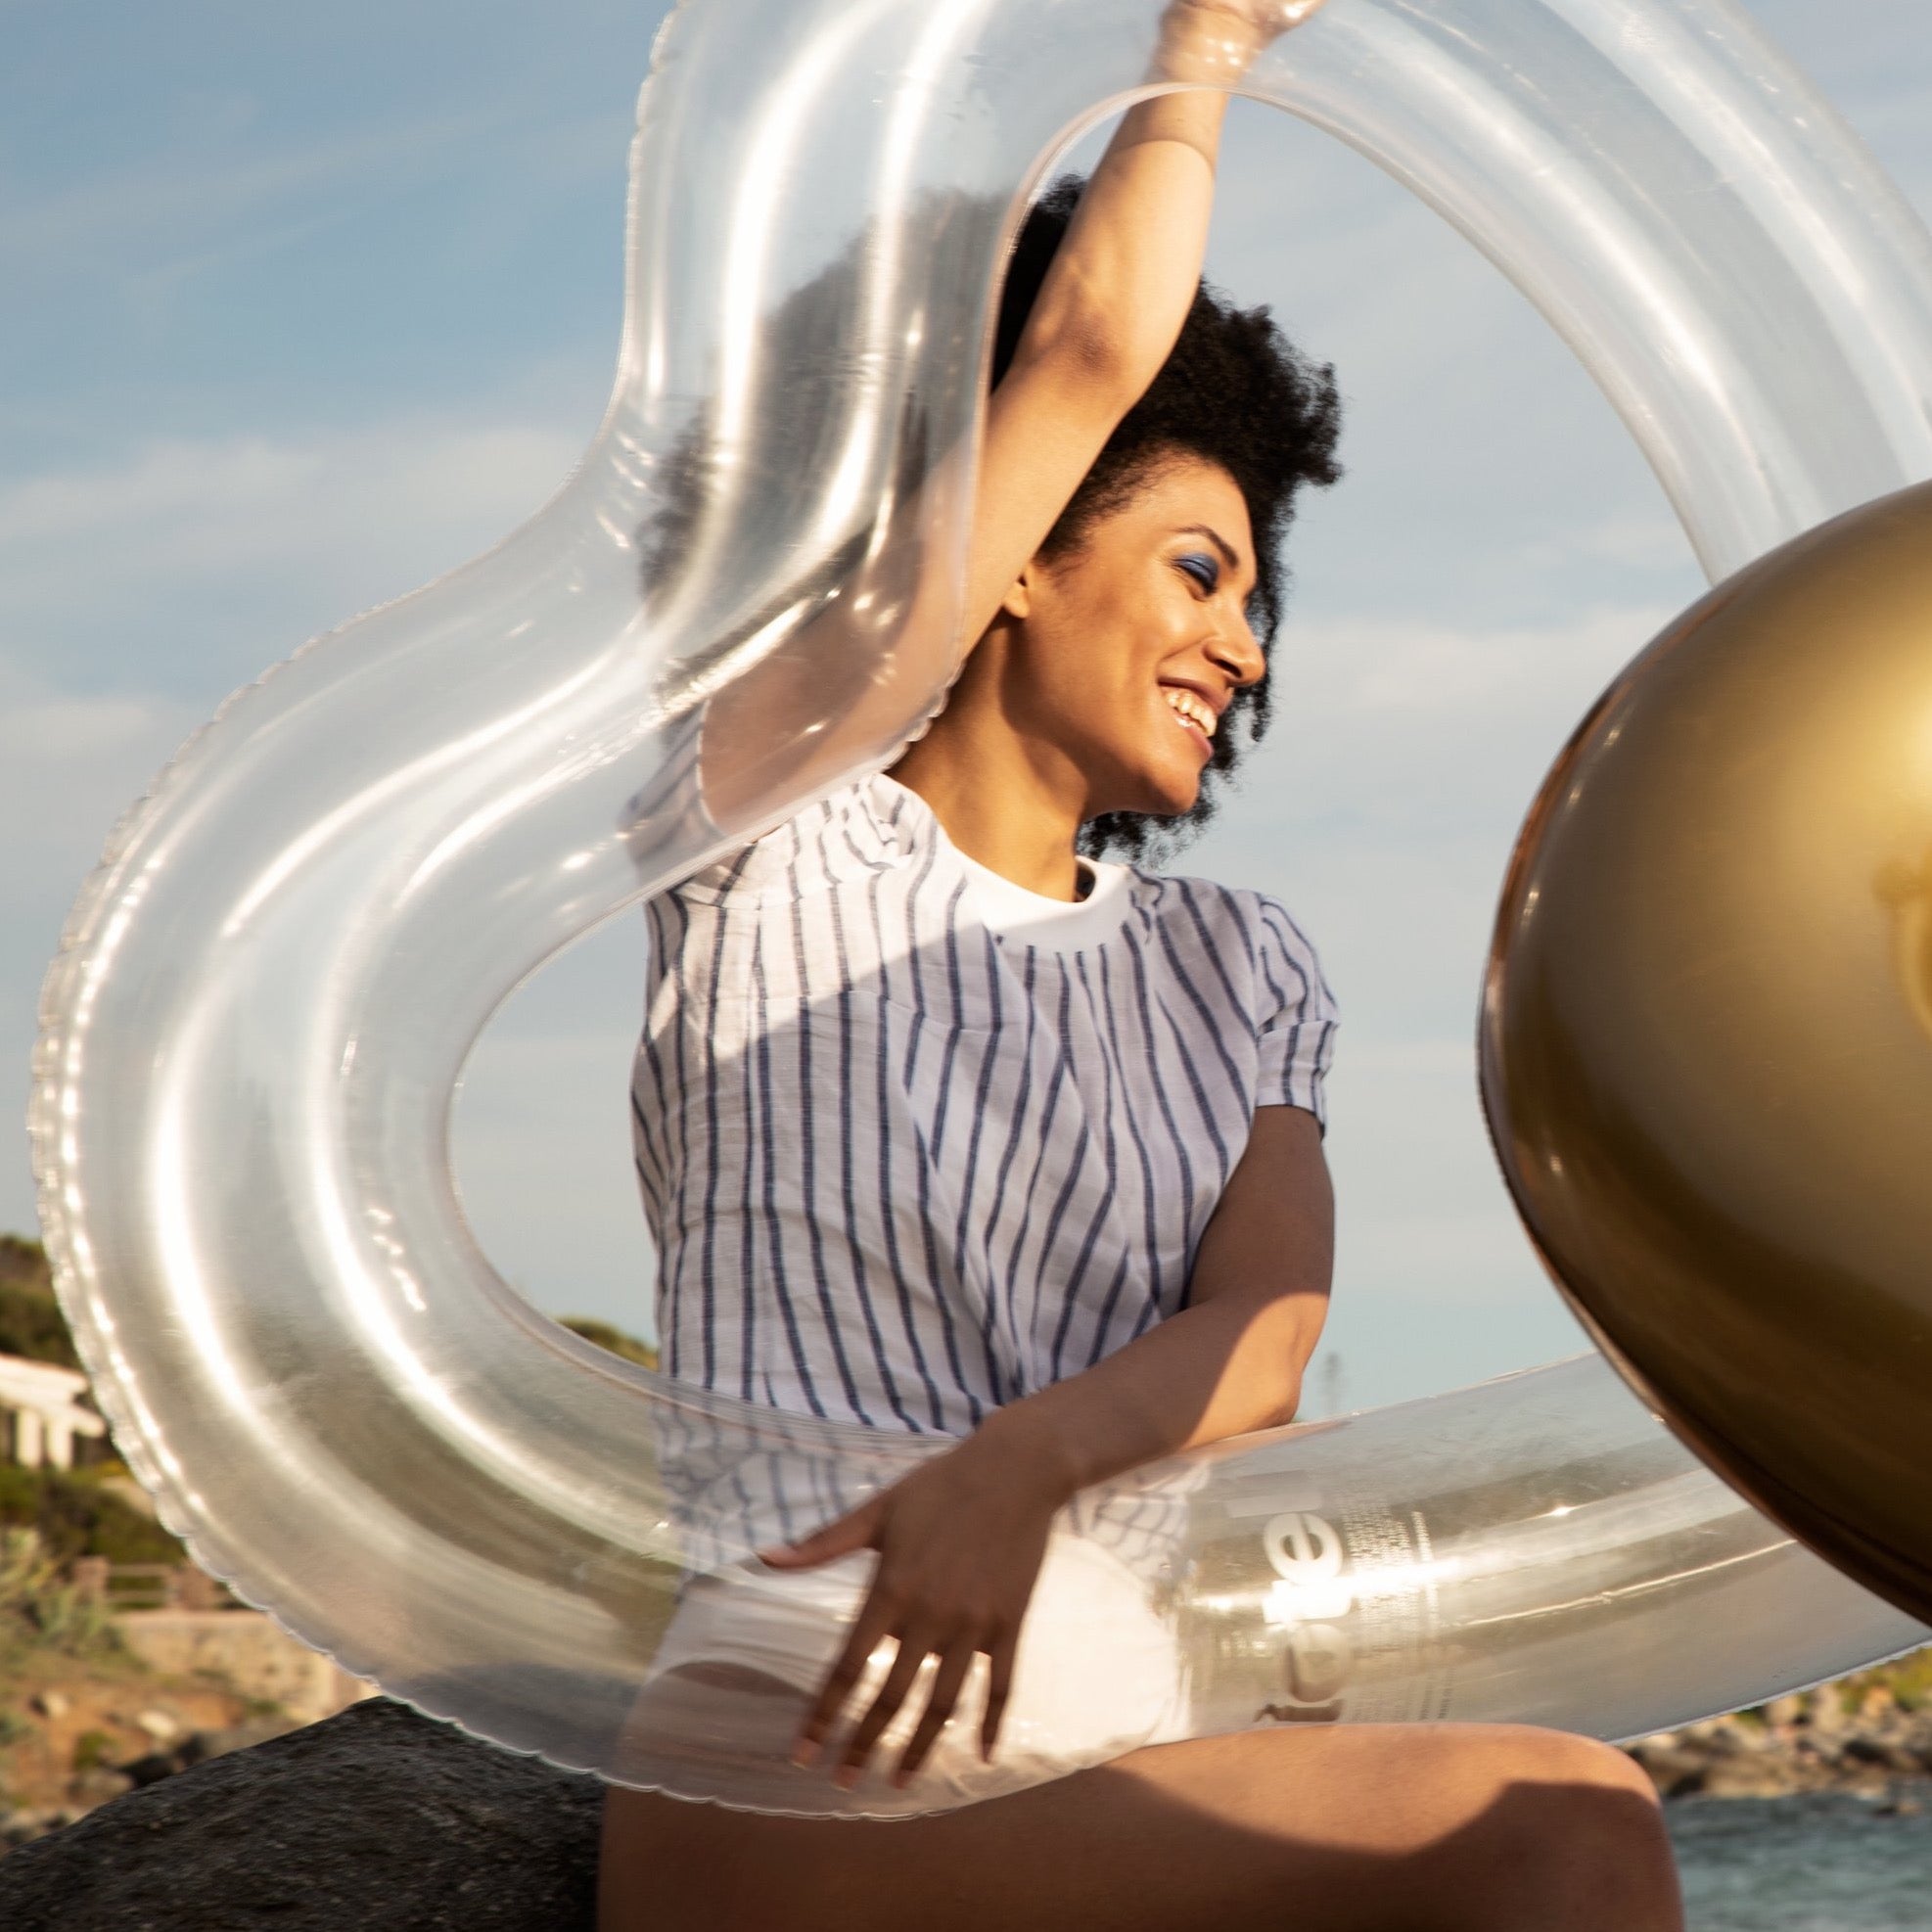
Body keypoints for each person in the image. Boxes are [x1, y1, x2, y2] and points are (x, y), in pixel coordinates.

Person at [600, 2, 1684, 1925]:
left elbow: (1263, 1337)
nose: (1244, 645)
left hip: (1135, 1748)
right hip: (812, 1752)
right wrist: (1204, 54)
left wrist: (1025, 1464)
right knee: (1570, 1827)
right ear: (1009, 551)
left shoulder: (1236, 963)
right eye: (1199, 567)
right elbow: (1098, 345)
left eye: (1260, 599)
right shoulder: (767, 826)